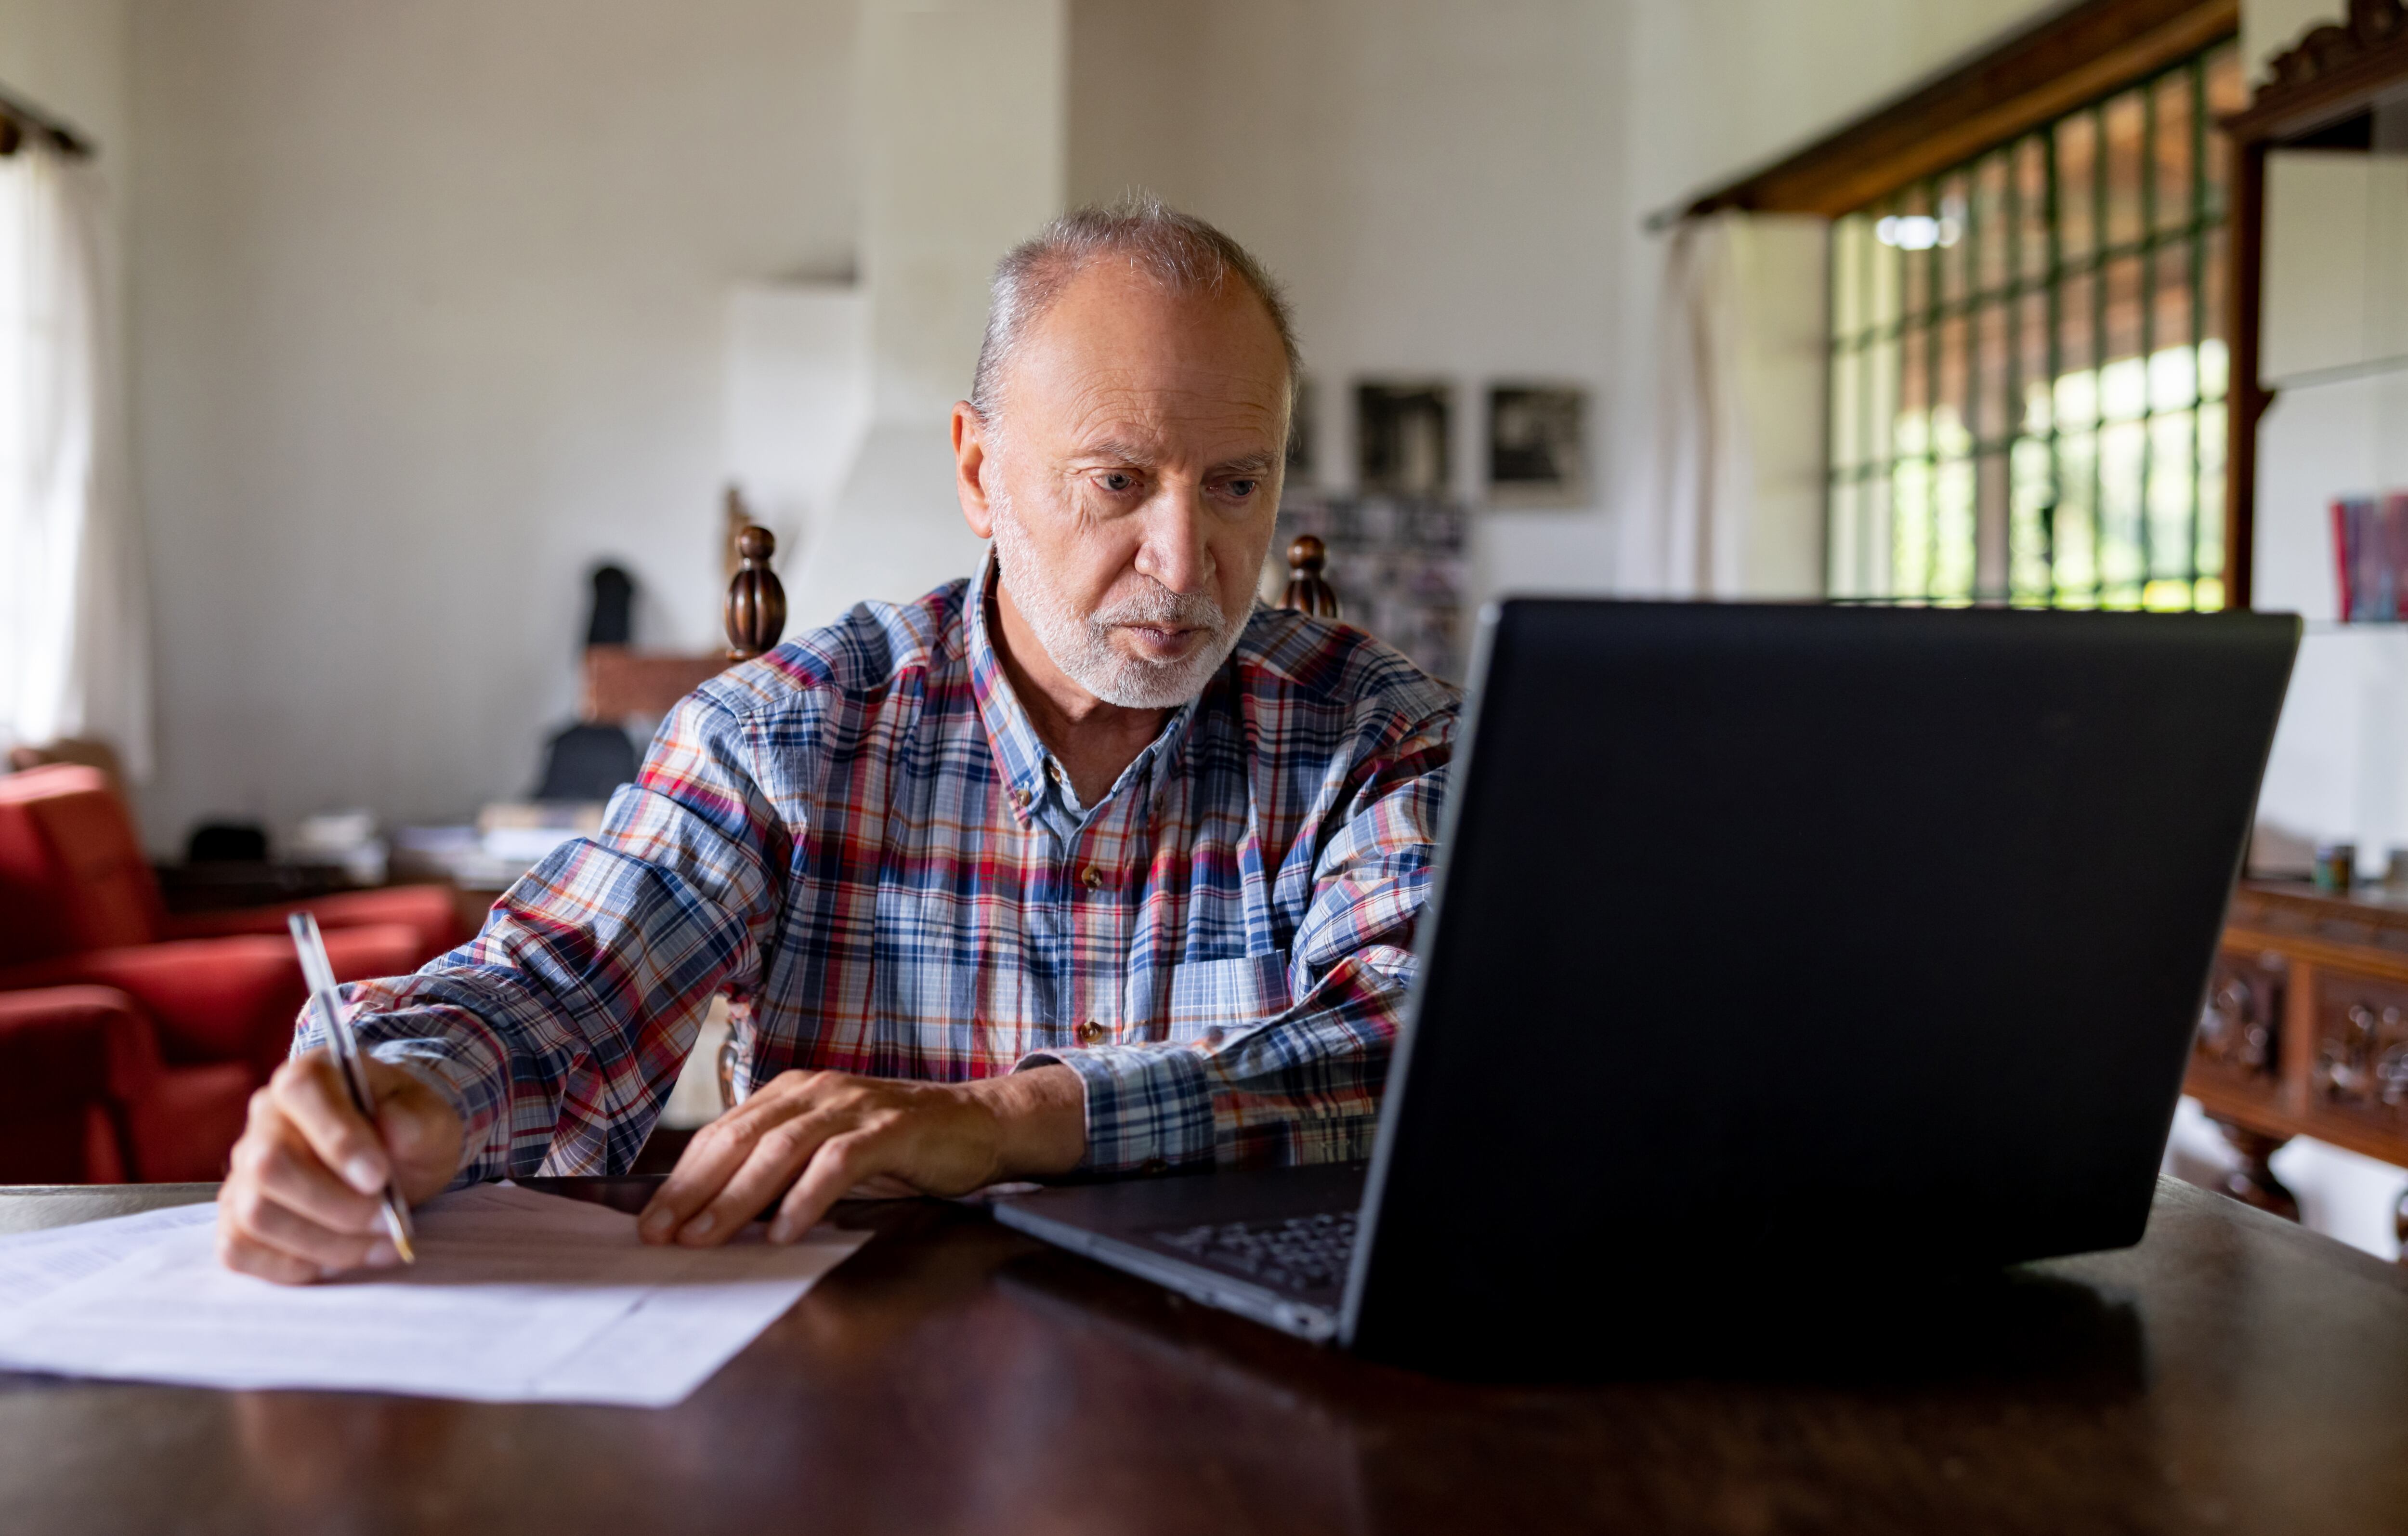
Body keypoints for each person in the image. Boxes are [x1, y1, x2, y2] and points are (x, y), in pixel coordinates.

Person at [215, 197, 1458, 1283]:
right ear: (980, 473)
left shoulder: (1378, 736)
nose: (1187, 563)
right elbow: (556, 990)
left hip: (1252, 1403)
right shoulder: (783, 733)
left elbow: (1418, 1054)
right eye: (1119, 481)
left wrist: (1004, 1121)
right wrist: (402, 1094)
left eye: (1236, 485)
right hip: (854, 1395)